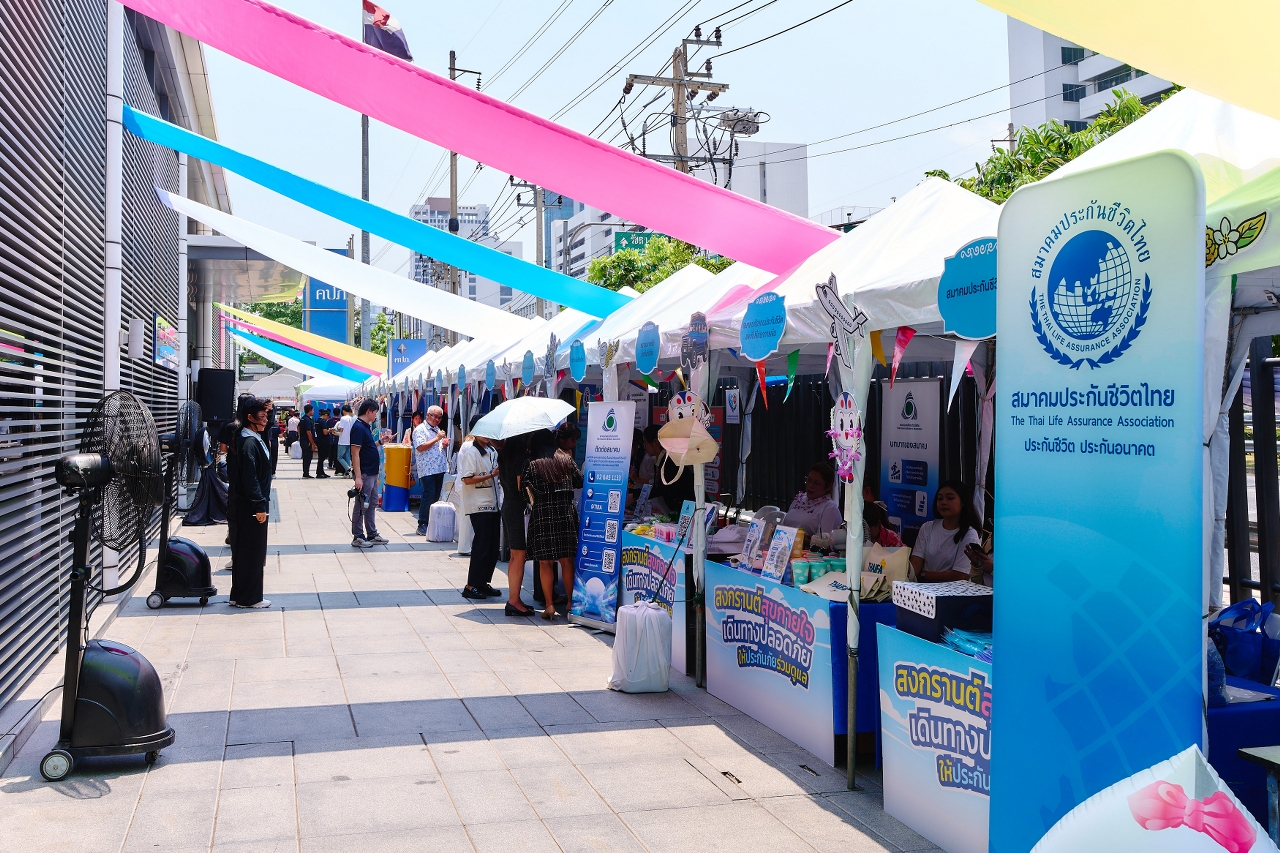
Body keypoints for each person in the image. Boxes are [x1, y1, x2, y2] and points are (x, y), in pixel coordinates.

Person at [522, 430, 579, 621]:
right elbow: (579, 481)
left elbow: (524, 494)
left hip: (543, 516)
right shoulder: (566, 459)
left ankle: (549, 605)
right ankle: (570, 602)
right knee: (567, 560)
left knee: (545, 562)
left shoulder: (531, 464)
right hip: (565, 514)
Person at [229, 395, 272, 608]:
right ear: (250, 417)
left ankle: (239, 595)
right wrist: (259, 505)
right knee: (252, 552)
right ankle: (249, 598)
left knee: (245, 550)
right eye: (262, 416)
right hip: (250, 505)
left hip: (247, 503)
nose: (266, 420)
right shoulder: (248, 442)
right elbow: (250, 478)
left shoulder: (250, 438)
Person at [458, 429, 502, 601]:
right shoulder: (472, 452)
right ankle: (471, 585)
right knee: (481, 546)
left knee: (492, 547)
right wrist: (491, 475)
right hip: (479, 505)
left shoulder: (491, 451)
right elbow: (467, 479)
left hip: (493, 503)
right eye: (482, 432)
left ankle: (483, 582)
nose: (486, 435)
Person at [910, 481, 981, 582]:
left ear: (963, 502)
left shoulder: (969, 534)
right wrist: (909, 574)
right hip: (923, 586)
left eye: (950, 498)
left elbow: (958, 575)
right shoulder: (927, 527)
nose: (943, 502)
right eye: (940, 498)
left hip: (952, 590)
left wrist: (924, 575)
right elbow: (916, 563)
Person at [497, 432, 534, 616]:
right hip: (516, 508)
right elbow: (522, 488)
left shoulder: (504, 454)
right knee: (519, 555)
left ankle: (514, 598)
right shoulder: (519, 457)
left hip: (507, 505)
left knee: (514, 555)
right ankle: (514, 600)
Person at [349, 399, 387, 548]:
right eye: (375, 412)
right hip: (364, 473)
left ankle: (372, 533)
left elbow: (367, 447)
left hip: (371, 472)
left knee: (371, 503)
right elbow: (355, 453)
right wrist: (358, 477)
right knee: (361, 504)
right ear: (369, 411)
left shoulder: (364, 426)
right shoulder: (358, 427)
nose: (376, 415)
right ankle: (358, 536)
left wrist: (380, 442)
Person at [412, 406, 449, 536]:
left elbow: (436, 447)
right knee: (429, 495)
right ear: (428, 415)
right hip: (428, 469)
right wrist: (437, 439)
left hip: (439, 468)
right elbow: (420, 447)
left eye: (439, 417)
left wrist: (443, 444)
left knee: (435, 496)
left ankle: (431, 522)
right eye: (434, 416)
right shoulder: (420, 429)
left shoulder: (437, 429)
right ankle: (422, 523)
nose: (437, 419)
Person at [641, 423, 695, 514]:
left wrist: (636, 495)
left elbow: (660, 489)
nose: (645, 446)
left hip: (689, 508)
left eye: (645, 442)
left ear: (655, 442)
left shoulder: (669, 461)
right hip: (681, 508)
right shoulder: (661, 460)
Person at [782, 463, 844, 538]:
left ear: (828, 486)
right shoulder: (799, 500)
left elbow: (824, 540)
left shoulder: (829, 507)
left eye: (816, 483)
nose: (810, 485)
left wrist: (801, 538)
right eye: (809, 480)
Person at [335, 404, 355, 476]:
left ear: (343, 411)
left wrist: (337, 428)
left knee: (339, 457)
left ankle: (348, 469)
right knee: (347, 457)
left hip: (343, 440)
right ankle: (348, 473)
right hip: (350, 440)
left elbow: (341, 429)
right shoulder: (352, 419)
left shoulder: (343, 418)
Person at [299, 404, 318, 478]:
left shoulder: (303, 419)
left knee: (305, 457)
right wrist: (312, 443)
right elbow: (308, 432)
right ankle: (306, 473)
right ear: (310, 411)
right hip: (307, 442)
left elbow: (298, 427)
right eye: (312, 410)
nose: (313, 412)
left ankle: (306, 472)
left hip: (303, 440)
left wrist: (301, 435)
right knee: (308, 457)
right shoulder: (307, 420)